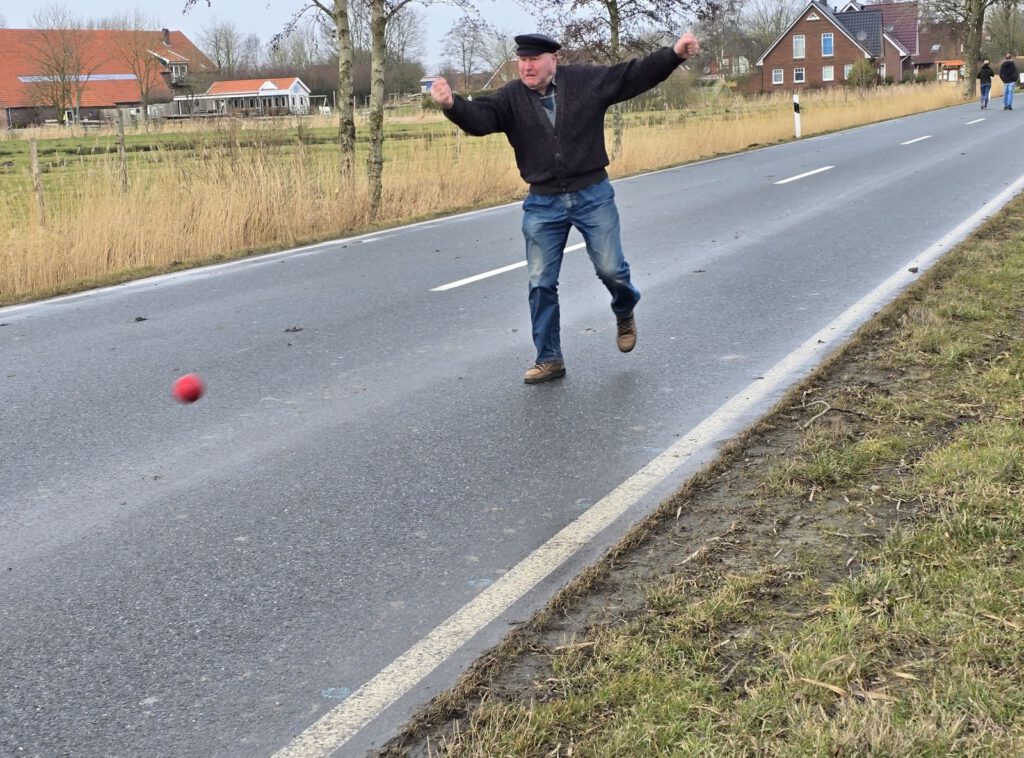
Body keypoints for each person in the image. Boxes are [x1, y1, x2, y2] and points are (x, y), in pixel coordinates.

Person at [430, 31, 700, 384]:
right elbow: (481, 117)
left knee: (611, 269)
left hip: (592, 193)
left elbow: (633, 75)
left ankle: (624, 307)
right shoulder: (511, 97)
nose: (526, 66)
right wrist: (453, 106)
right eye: (522, 60)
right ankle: (549, 358)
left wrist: (675, 54)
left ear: (553, 59)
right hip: (543, 202)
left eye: (533, 60)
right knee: (540, 282)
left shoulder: (586, 81)